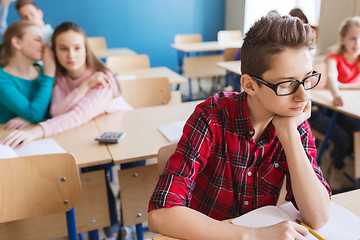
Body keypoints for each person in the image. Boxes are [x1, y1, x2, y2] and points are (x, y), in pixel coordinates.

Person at [148, 14, 331, 240]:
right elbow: (160, 215)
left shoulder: (294, 123)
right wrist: (252, 236)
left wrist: (288, 134)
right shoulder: (212, 117)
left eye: (307, 79)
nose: (303, 96)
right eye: (287, 84)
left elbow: (318, 217)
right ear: (249, 85)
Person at [1, 21, 132, 239]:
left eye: (77, 48)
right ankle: (96, 228)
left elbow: (77, 115)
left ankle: (116, 230)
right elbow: (56, 109)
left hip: (121, 140)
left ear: (86, 49)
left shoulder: (102, 78)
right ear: (53, 51)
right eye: (63, 48)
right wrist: (82, 87)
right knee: (89, 178)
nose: (71, 54)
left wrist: (35, 131)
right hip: (87, 138)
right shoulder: (61, 78)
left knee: (103, 176)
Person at [309, 16, 360, 190]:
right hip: (324, 111)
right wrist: (337, 91)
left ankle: (337, 161)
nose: (357, 42)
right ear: (342, 39)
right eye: (353, 38)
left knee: (356, 133)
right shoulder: (334, 57)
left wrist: (343, 86)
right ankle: (336, 166)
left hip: (348, 113)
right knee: (344, 138)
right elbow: (331, 77)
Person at [0, 20, 54, 127]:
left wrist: (29, 119)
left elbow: (54, 109)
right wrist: (49, 77)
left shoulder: (44, 70)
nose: (44, 46)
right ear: (17, 43)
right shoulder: (2, 79)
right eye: (38, 40)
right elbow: (34, 114)